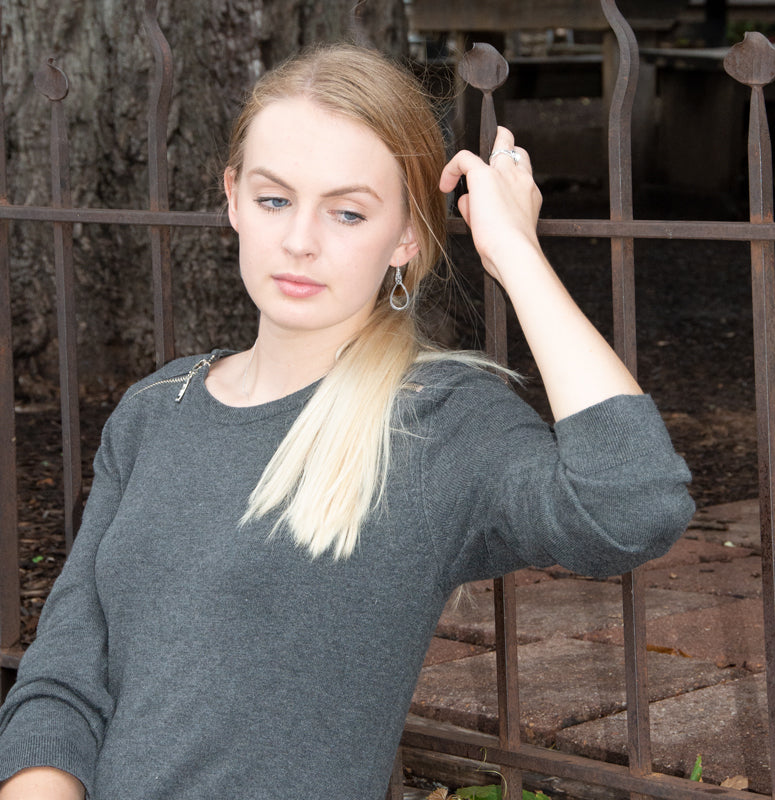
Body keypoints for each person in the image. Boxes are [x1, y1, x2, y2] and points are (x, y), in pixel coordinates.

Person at [0, 43, 694, 800]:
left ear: (406, 238)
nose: (301, 240)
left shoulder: (435, 423)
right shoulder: (153, 411)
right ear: (232, 197)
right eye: (274, 199)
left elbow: (631, 504)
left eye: (348, 211)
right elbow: (63, 677)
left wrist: (514, 252)